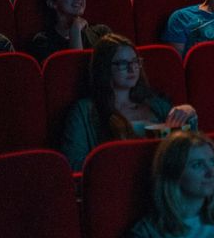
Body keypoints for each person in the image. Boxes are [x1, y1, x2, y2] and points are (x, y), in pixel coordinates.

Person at [60, 34, 197, 170]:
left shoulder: (156, 104)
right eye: (123, 64)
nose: (132, 69)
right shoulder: (84, 110)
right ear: (104, 67)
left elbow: (188, 148)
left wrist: (189, 114)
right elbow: (74, 163)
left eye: (135, 62)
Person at [27, 0, 110, 62]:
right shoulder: (43, 41)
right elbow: (74, 71)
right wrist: (75, 30)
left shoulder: (101, 33)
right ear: (52, 3)